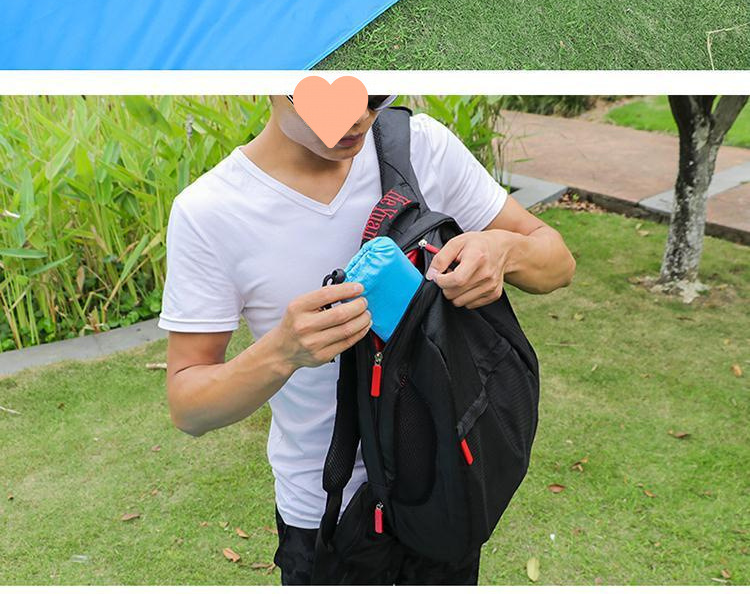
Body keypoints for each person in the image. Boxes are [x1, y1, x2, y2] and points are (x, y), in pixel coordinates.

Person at [159, 96, 576, 585]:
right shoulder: (211, 212)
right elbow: (189, 408)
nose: (357, 116)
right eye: (326, 99)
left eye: (375, 95)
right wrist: (282, 352)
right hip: (328, 518)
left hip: (446, 486)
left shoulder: (421, 148)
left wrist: (505, 250)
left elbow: (558, 264)